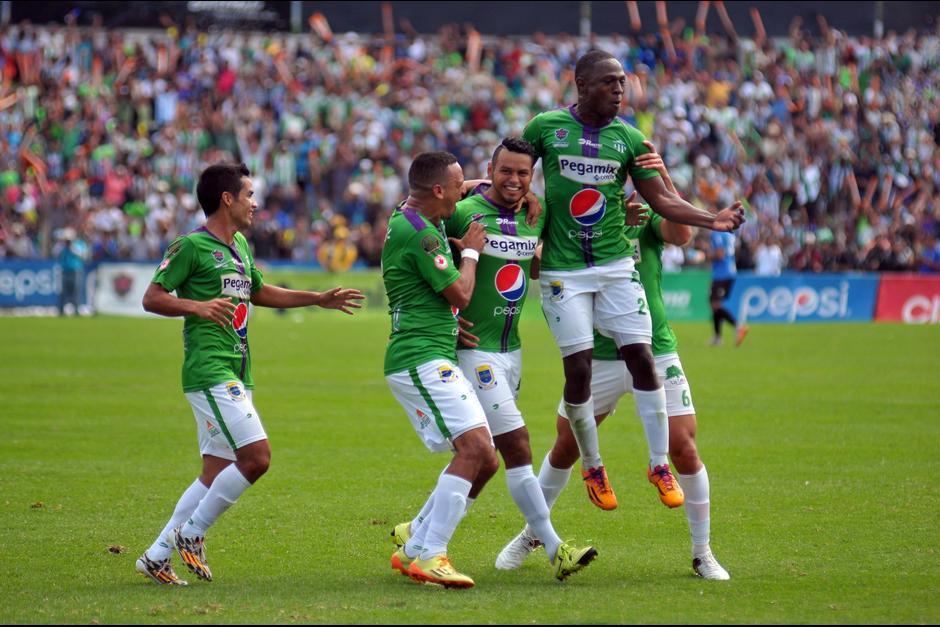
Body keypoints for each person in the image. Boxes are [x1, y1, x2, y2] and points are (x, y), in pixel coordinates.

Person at [522, 49, 744, 511]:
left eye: (622, 82)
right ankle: (594, 465)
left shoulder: (629, 139)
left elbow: (662, 200)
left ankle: (658, 464)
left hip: (614, 266)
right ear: (581, 85)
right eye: (609, 82)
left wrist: (713, 219)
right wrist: (513, 197)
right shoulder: (545, 128)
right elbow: (512, 167)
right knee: (577, 369)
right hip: (565, 271)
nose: (620, 90)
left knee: (643, 356)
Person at [497, 146, 731, 580]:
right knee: (566, 445)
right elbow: (537, 263)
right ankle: (534, 533)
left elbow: (681, 236)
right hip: (599, 356)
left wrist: (664, 181)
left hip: (654, 347)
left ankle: (703, 552)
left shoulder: (641, 214)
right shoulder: (570, 218)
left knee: (684, 446)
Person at [136, 163, 363, 585]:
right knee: (257, 457)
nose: (255, 203)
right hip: (210, 369)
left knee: (215, 471)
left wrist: (317, 298)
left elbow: (259, 292)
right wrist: (197, 306)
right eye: (249, 194)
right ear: (227, 199)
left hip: (238, 369)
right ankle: (192, 534)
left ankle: (156, 556)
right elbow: (152, 297)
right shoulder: (191, 246)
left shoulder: (239, 243)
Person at [391, 138, 597, 580]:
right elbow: (421, 215)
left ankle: (416, 534)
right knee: (514, 445)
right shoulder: (462, 213)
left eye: (524, 174)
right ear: (490, 169)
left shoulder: (530, 216)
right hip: (474, 351)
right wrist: (452, 315)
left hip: (511, 350)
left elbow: (530, 265)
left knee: (487, 455)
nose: (515, 180)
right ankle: (553, 548)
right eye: (505, 171)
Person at [382, 151, 498, 589]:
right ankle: (431, 554)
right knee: (474, 451)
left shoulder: (408, 215)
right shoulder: (424, 237)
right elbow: (461, 293)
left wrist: (478, 187)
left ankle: (414, 546)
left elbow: (449, 191)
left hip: (432, 354)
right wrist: (469, 250)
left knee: (486, 459)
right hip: (420, 358)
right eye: (456, 186)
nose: (461, 193)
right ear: (436, 190)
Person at [709, 224, 748, 346]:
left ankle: (738, 327)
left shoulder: (716, 233)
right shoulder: (729, 234)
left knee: (715, 304)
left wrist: (706, 255)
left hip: (722, 273)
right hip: (730, 271)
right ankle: (717, 337)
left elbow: (719, 254)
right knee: (714, 303)